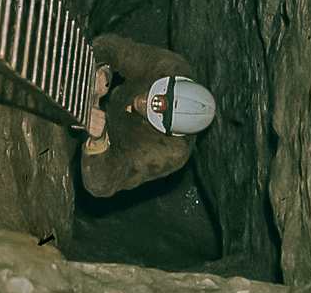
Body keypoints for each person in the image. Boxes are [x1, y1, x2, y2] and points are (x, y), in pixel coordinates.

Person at [80, 32, 217, 198]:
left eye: (152, 111)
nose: (143, 102)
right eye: (153, 93)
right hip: (112, 100)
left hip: (111, 140)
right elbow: (116, 48)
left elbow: (102, 183)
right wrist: (103, 70)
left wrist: (98, 141)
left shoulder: (168, 152)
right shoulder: (171, 68)